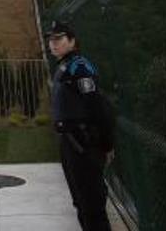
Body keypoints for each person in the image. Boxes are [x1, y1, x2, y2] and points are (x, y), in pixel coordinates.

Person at [47, 20, 115, 231]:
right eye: (51, 40)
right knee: (81, 202)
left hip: (84, 144)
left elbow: (97, 107)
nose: (53, 44)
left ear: (72, 41)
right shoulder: (64, 66)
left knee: (92, 205)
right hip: (70, 143)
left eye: (58, 39)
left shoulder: (80, 67)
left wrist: (107, 144)